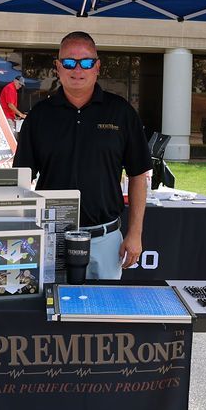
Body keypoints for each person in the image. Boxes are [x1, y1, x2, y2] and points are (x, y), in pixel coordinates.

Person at [13, 31, 151, 279]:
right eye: (69, 62)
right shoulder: (39, 116)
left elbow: (138, 174)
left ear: (97, 67)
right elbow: (21, 180)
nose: (77, 69)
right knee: (52, 313)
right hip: (52, 239)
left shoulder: (121, 113)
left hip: (105, 240)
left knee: (104, 315)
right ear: (58, 67)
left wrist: (135, 233)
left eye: (86, 62)